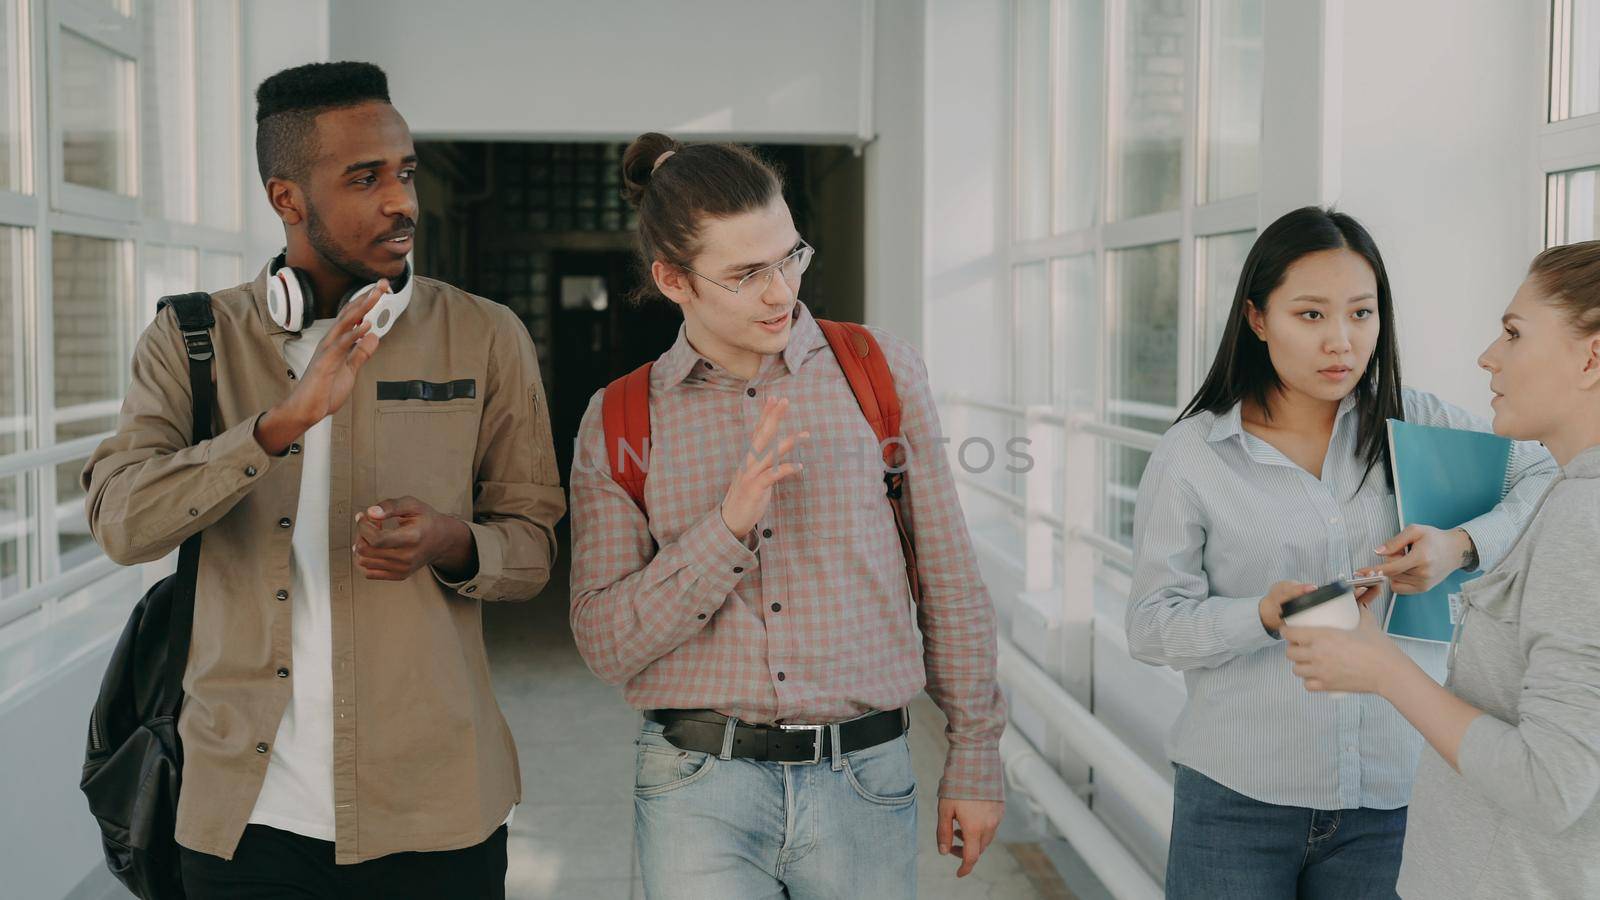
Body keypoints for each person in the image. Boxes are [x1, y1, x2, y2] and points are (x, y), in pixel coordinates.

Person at [83, 61, 564, 899]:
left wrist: (452, 541)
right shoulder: (190, 342)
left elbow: (533, 549)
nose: (400, 201)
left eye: (405, 172)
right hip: (243, 814)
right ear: (287, 198)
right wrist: (280, 425)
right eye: (365, 178)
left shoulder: (487, 336)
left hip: (438, 808)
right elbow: (123, 523)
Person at [567, 132, 1006, 899]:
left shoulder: (880, 372)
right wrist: (726, 528)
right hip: (696, 793)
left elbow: (949, 577)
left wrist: (975, 753)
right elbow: (605, 643)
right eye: (745, 274)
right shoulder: (620, 418)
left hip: (865, 781)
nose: (781, 293)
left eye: (790, 258)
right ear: (674, 280)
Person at [1125, 206, 1557, 898]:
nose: (1341, 342)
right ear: (1257, 319)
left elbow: (1548, 471)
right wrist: (1261, 617)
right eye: (1311, 316)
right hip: (1235, 802)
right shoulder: (1194, 456)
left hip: (1389, 804)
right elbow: (1151, 625)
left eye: (1361, 314)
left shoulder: (1419, 421)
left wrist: (1461, 546)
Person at [1284, 241, 1600, 899]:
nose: (1489, 356)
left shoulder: (1583, 521)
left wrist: (1382, 668)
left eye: (1514, 333)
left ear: (1592, 356)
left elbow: (1550, 785)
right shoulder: (1571, 497)